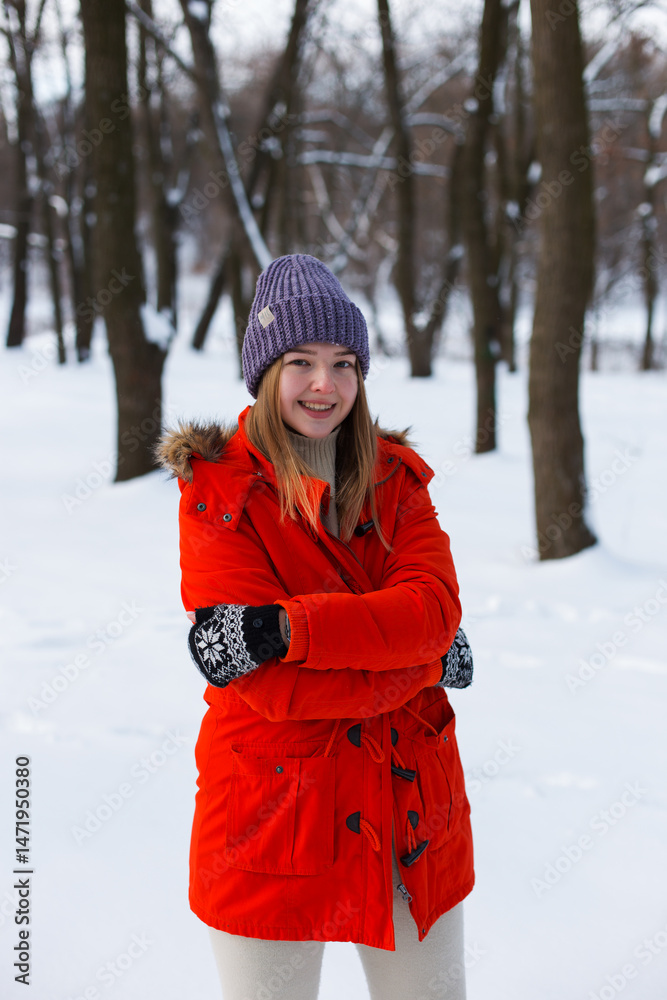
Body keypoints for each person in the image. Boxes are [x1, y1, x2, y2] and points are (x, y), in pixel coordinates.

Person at [157, 254, 475, 1000]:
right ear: (265, 370)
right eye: (300, 361)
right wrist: (424, 663)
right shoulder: (217, 492)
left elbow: (433, 612)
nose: (324, 384)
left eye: (343, 363)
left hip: (407, 812)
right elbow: (277, 694)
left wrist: (285, 630)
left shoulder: (398, 478)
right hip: (273, 820)